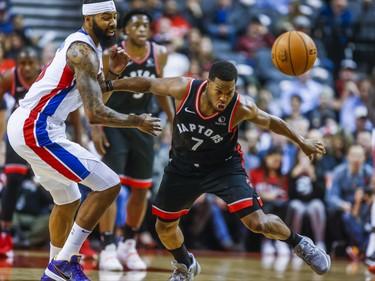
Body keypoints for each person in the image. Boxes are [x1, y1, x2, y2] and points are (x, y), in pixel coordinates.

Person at [105, 60, 331, 279]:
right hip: (182, 167)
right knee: (163, 228)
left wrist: (301, 140)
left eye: (229, 92)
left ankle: (300, 244)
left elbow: (271, 121)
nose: (224, 98)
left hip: (223, 168)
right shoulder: (184, 88)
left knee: (257, 223)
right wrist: (110, 84)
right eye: (219, 91)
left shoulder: (240, 107)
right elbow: (148, 84)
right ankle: (186, 264)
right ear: (207, 83)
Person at [6, 1, 162, 280]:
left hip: (35, 125)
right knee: (109, 184)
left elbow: (94, 97)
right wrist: (136, 120)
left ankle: (55, 270)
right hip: (36, 126)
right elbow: (94, 113)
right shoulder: (82, 51)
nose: (113, 23)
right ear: (89, 19)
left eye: (114, 17)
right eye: (106, 17)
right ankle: (65, 262)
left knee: (68, 199)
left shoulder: (91, 48)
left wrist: (113, 75)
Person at [91, 9, 174, 271]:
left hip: (143, 125)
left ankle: (128, 244)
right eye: (136, 24)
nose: (142, 28)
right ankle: (107, 246)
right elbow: (97, 92)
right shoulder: (111, 53)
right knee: (111, 186)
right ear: (125, 30)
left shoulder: (159, 52)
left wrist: (173, 120)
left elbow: (160, 88)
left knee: (141, 187)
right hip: (114, 123)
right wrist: (95, 126)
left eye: (146, 25)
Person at [0, 47, 42, 257]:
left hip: (43, 135)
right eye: (22, 63)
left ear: (39, 63)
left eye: (30, 63)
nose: (26, 68)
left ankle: (75, 239)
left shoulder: (48, 75)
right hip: (16, 135)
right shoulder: (9, 77)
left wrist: (78, 138)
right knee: (13, 182)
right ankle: (5, 234)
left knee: (57, 184)